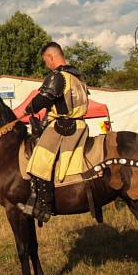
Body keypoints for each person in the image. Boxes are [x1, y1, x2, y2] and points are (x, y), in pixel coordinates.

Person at [23, 41, 90, 226]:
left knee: (39, 159)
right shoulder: (77, 76)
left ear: (51, 57)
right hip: (80, 124)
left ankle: (44, 206)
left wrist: (28, 109)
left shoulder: (59, 75)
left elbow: (43, 98)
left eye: (46, 61)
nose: (46, 65)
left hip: (63, 125)